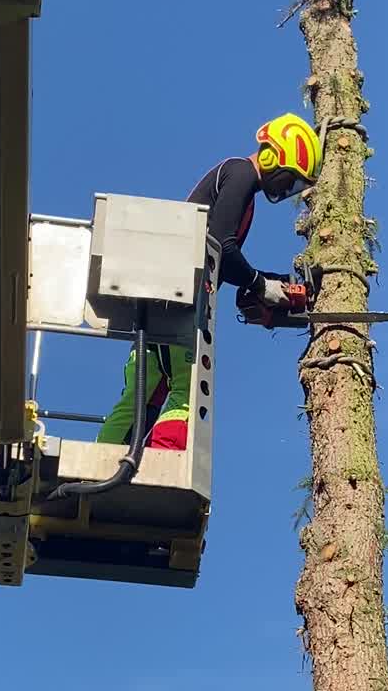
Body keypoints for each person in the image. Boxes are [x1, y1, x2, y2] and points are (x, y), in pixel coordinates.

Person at [96, 113, 323, 452]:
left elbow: (219, 257)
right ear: (272, 156)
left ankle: (104, 458)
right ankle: (164, 466)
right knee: (186, 390)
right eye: (288, 179)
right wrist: (260, 284)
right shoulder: (242, 173)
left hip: (160, 291)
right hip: (179, 295)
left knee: (148, 388)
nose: (285, 189)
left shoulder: (237, 181)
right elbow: (221, 246)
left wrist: (259, 285)